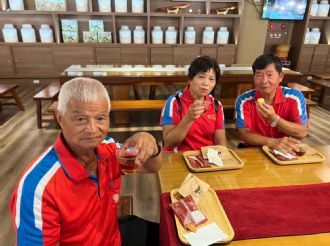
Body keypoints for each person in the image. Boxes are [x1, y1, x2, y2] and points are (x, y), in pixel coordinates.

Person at [9, 78, 161, 246]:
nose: (92, 129)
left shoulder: (110, 150)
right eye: (81, 119)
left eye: (100, 118)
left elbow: (152, 166)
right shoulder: (38, 187)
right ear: (59, 117)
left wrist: (151, 145)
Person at [235, 54, 308, 155]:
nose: (264, 81)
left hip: (283, 151)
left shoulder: (294, 97)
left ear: (281, 76)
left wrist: (274, 119)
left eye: (270, 75)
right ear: (254, 77)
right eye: (259, 75)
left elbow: (302, 132)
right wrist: (272, 142)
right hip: (252, 150)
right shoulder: (244, 100)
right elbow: (243, 134)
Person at [160, 56, 227, 151]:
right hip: (180, 157)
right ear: (190, 79)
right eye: (201, 77)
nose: (206, 83)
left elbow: (221, 143)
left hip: (207, 158)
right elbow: (169, 143)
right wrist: (188, 118)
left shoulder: (216, 105)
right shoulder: (174, 102)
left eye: (211, 79)